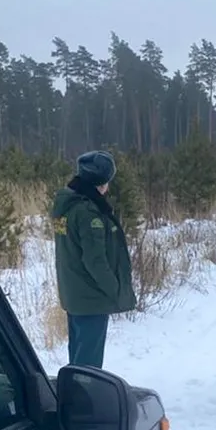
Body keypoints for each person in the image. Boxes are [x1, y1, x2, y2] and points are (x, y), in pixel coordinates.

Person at [51, 150, 136, 369]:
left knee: (78, 358)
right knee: (89, 365)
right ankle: (84, 401)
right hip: (91, 299)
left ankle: (73, 398)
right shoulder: (88, 213)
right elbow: (95, 261)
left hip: (74, 294)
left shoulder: (66, 205)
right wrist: (115, 290)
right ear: (101, 183)